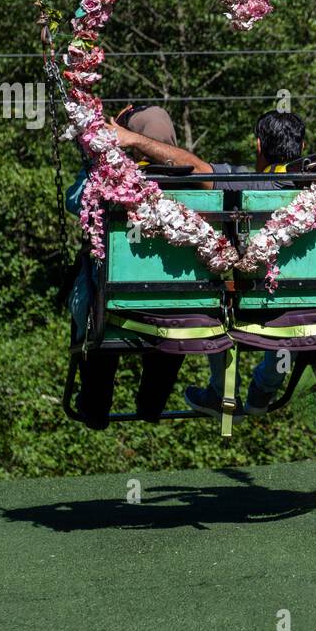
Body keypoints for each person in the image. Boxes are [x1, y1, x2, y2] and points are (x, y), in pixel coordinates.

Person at [183, 78, 316, 420]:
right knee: (291, 318)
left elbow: (194, 168)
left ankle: (222, 393)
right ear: (303, 145)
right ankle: (262, 391)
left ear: (258, 146)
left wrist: (133, 141)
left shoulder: (242, 183)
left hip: (256, 303)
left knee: (219, 289)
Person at [67, 105, 219, 429]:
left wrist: (96, 161)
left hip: (118, 302)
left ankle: (95, 403)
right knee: (170, 321)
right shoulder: (199, 188)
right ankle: (152, 400)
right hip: (180, 301)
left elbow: (74, 200)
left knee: (95, 305)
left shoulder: (114, 185)